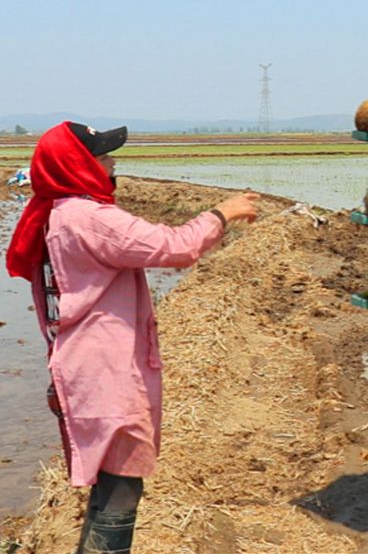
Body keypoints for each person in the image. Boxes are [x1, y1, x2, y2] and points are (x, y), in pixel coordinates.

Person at [5, 122, 260, 553]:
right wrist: (224, 213)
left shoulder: (56, 212)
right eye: (103, 157)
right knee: (121, 485)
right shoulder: (89, 218)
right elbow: (173, 246)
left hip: (81, 362)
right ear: (78, 166)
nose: (112, 162)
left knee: (110, 481)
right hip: (103, 369)